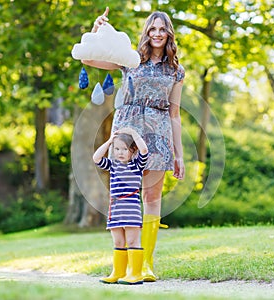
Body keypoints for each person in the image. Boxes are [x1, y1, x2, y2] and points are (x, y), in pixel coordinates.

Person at [84, 7, 185, 282]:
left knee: (152, 198)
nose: (157, 34)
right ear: (146, 32)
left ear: (169, 34)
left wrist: (179, 155)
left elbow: (175, 114)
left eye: (162, 29)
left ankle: (145, 265)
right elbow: (92, 58)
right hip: (125, 133)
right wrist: (97, 29)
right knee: (122, 195)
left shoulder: (176, 70)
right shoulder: (130, 59)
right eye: (152, 29)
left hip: (159, 134)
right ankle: (123, 266)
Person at [93, 127, 149, 285]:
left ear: (133, 151)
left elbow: (144, 149)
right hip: (116, 209)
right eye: (117, 149)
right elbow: (96, 158)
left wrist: (134, 133)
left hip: (131, 209)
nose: (120, 152)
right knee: (118, 242)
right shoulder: (112, 165)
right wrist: (110, 141)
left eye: (124, 149)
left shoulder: (137, 165)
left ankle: (136, 274)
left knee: (132, 241)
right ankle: (118, 272)